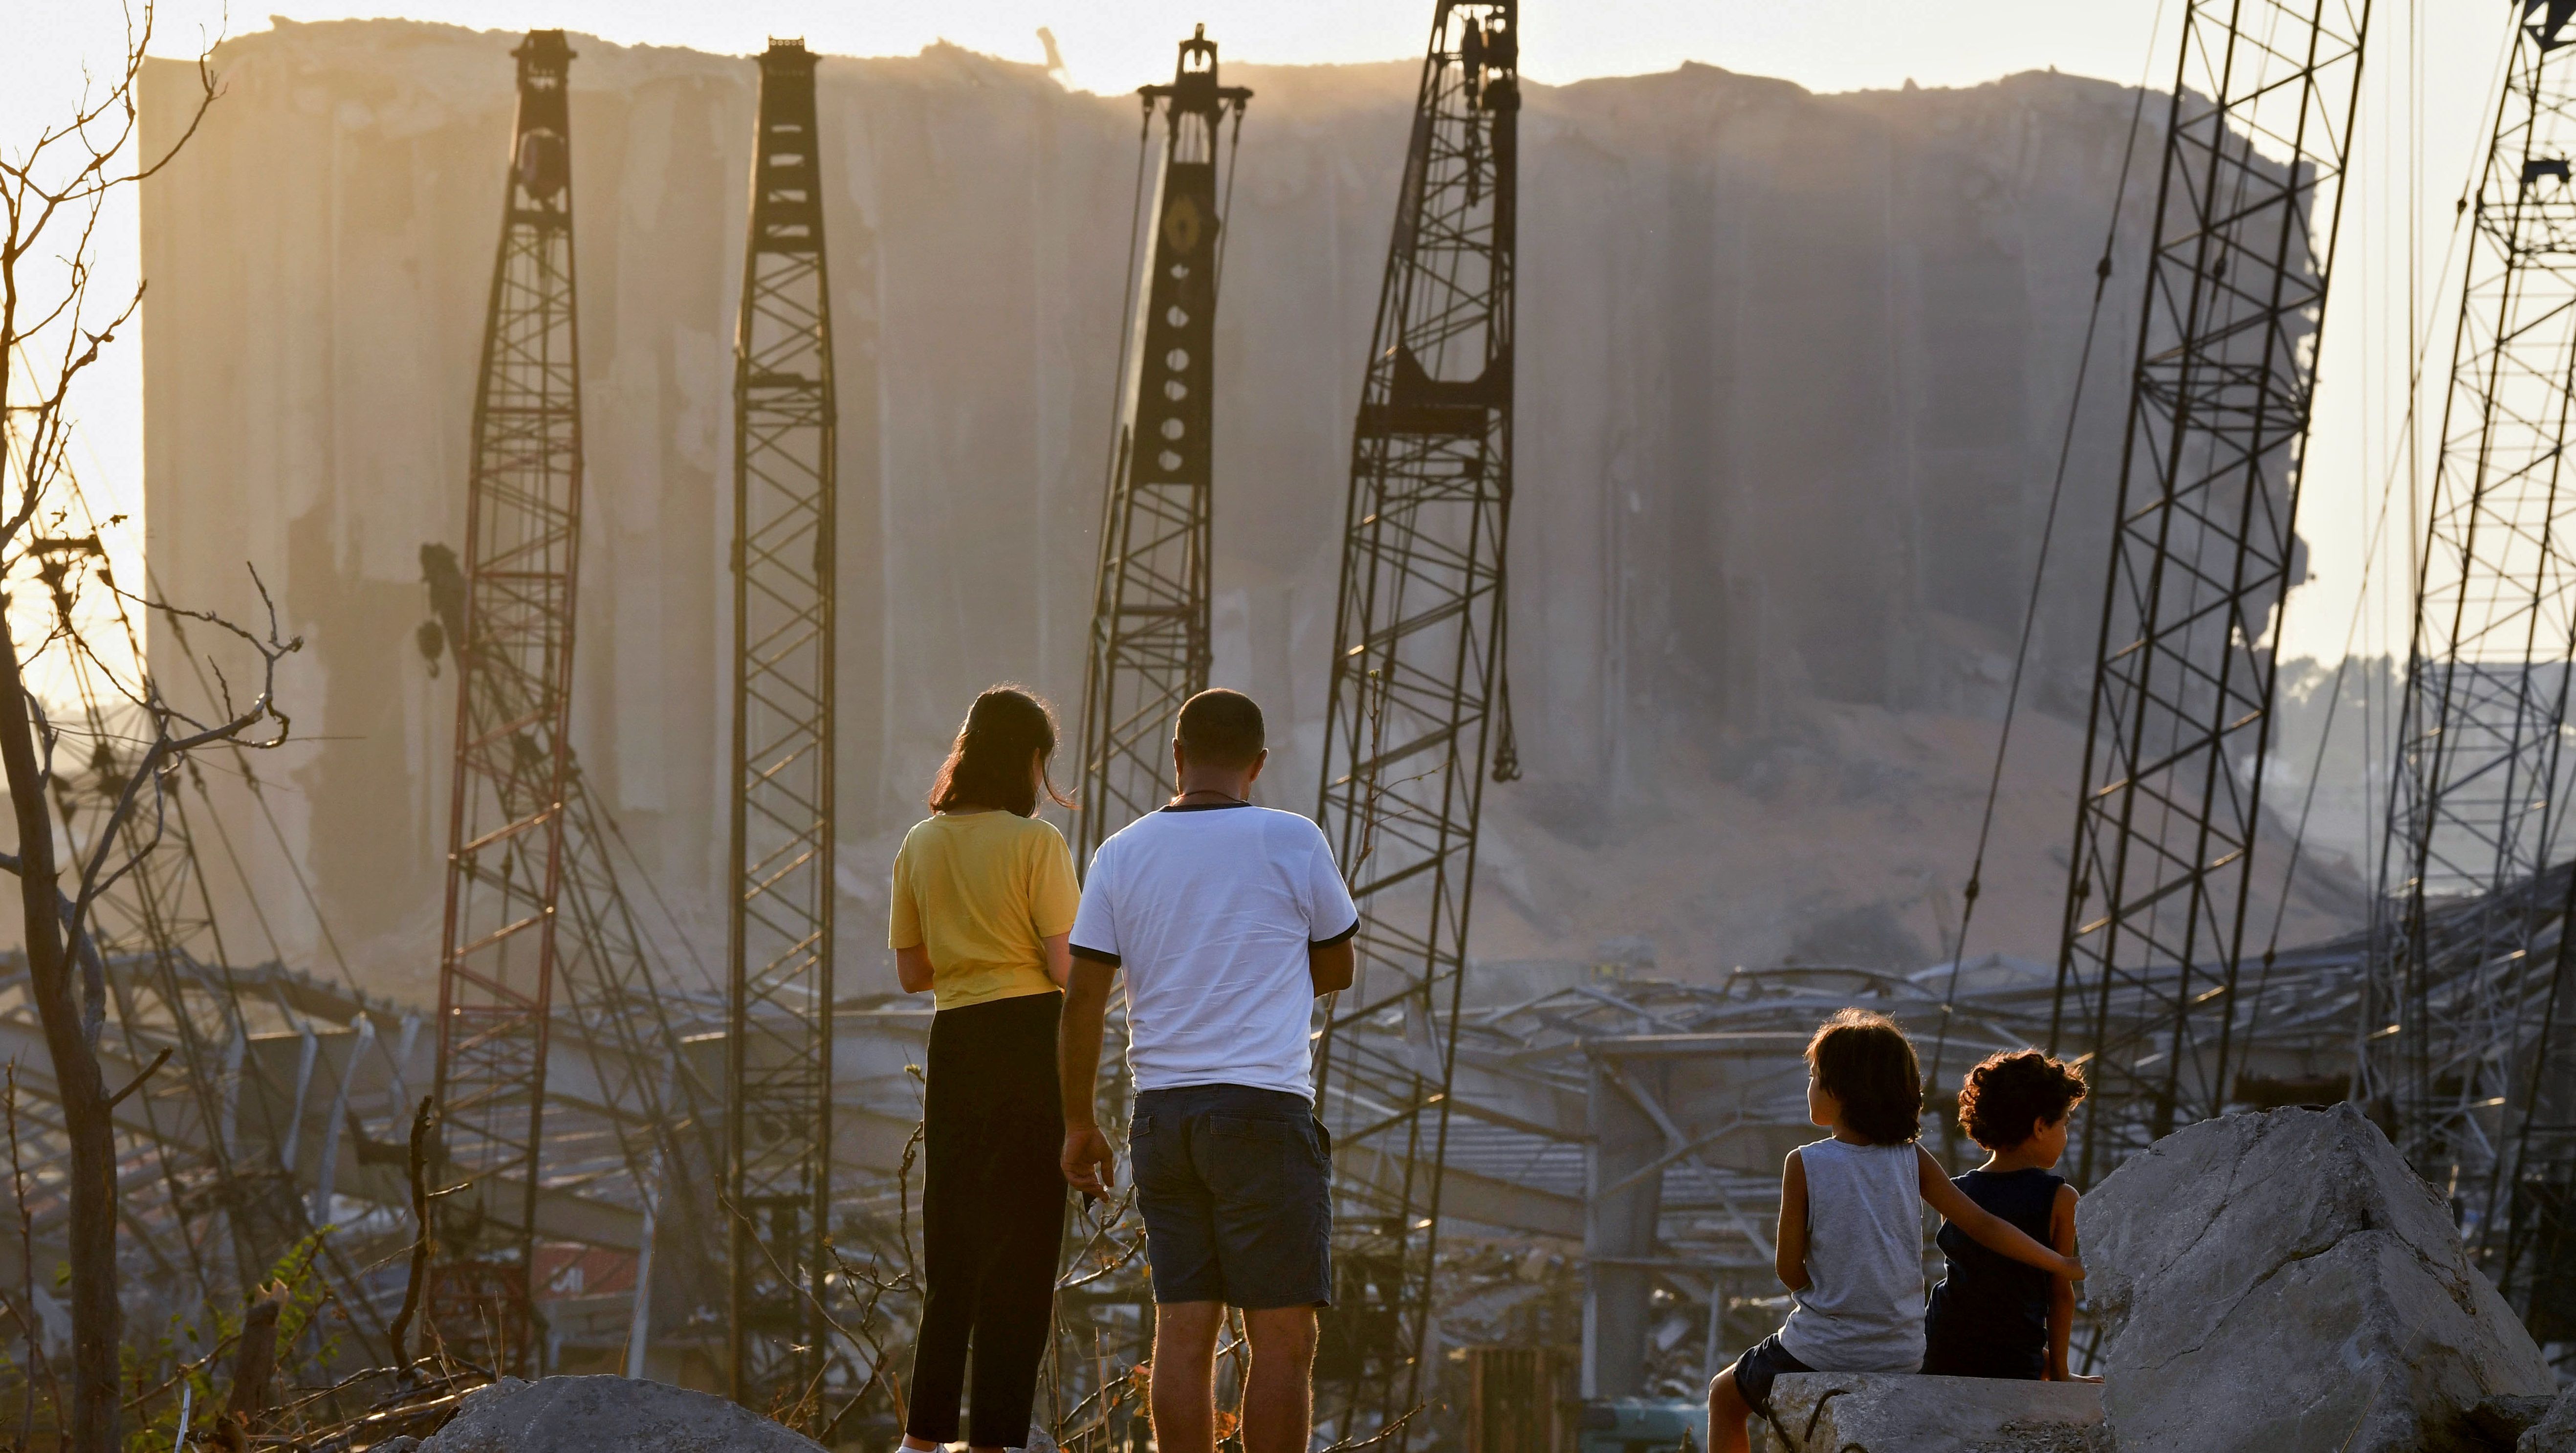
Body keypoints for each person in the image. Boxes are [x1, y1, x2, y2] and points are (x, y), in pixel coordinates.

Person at [1057, 688, 1359, 1453]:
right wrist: (1264, 972)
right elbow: (1338, 967)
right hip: (1263, 1111)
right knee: (1282, 1340)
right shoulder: (1293, 840)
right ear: (1257, 765)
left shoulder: (1120, 852)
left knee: (1183, 1332)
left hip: (1162, 1117)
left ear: (1176, 757)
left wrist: (1078, 1122)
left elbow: (1083, 999)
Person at [1707, 1010, 2084, 1453]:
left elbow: (1788, 1271)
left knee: (1723, 1396)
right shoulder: (1913, 1159)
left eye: (1814, 1076)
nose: (1809, 1087)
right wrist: (2061, 1262)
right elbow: (1983, 1224)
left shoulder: (1804, 1163)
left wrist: (1828, 1291)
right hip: (1905, 1352)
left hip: (1825, 1347)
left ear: (1840, 1090)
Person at [890, 686, 1081, 1453]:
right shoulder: (1037, 847)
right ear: (1031, 761)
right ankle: (995, 1439)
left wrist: (969, 950)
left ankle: (923, 1437)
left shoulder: (919, 843)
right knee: (1025, 1248)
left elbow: (912, 972)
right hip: (1029, 1042)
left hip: (956, 1043)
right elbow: (1066, 967)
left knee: (954, 1245)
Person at [1920, 1049, 2094, 1383]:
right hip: (2012, 1361)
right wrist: (2060, 1372)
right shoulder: (2060, 1198)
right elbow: (2060, 1295)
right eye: (2064, 1125)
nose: (2065, 1136)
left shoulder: (1958, 1192)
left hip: (1941, 1348)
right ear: (2041, 1127)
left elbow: (1977, 1290)